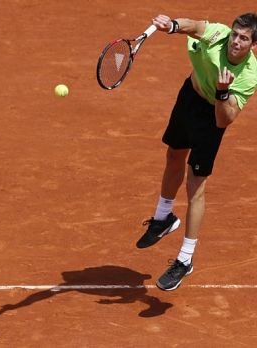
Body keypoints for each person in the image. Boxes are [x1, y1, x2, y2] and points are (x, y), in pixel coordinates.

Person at [136, 13, 257, 291]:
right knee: (174, 155)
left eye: (243, 38)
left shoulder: (249, 75)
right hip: (189, 97)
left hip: (213, 113)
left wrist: (223, 92)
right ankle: (163, 217)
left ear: (253, 46)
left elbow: (223, 121)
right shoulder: (219, 34)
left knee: (195, 185)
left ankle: (185, 259)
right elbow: (195, 27)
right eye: (235, 34)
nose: (234, 41)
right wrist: (173, 26)